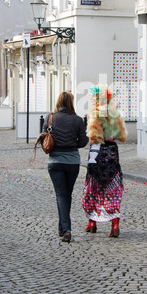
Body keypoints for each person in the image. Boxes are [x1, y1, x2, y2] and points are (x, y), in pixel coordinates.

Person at [82, 84, 127, 238]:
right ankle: (115, 223)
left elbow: (94, 138)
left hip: (98, 153)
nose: (90, 100)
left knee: (93, 188)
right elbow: (121, 136)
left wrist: (92, 160)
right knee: (112, 188)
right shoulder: (115, 114)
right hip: (113, 153)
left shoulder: (95, 114)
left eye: (91, 97)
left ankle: (92, 223)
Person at [43, 91, 88, 242]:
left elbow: (44, 138)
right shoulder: (77, 120)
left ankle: (66, 229)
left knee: (61, 195)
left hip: (55, 162)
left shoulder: (51, 118)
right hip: (72, 162)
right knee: (66, 194)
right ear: (71, 102)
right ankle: (63, 227)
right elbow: (82, 143)